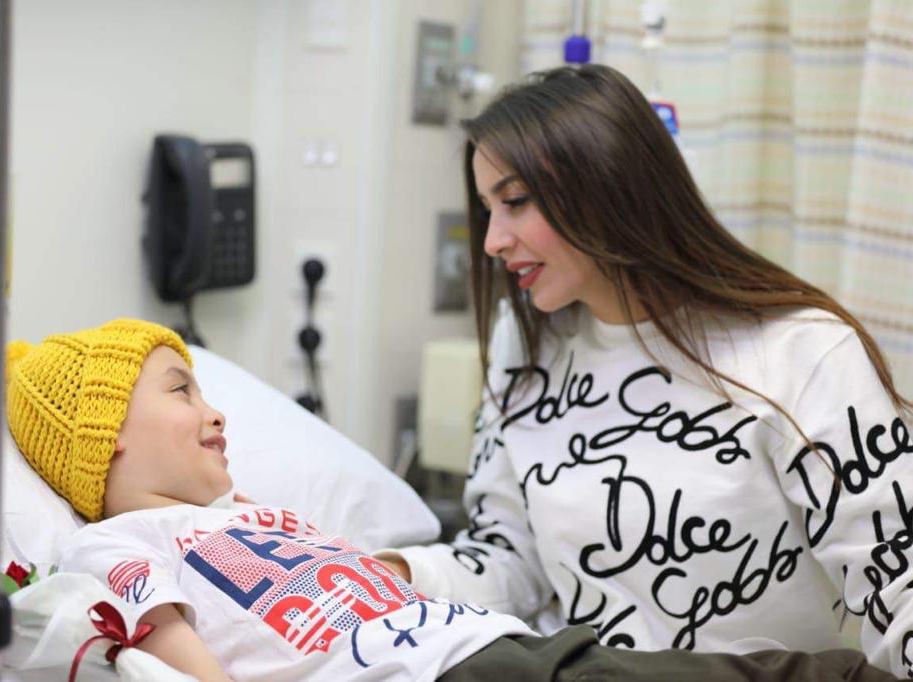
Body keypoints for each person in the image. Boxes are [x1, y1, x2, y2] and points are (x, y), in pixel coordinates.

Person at [373, 63, 913, 679]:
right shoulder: (524, 344)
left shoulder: (801, 352)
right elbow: (513, 561)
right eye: (487, 209)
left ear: (606, 184)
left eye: (515, 202)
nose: (493, 240)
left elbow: (897, 577)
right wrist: (396, 575)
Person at [6, 318, 898, 681]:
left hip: (486, 646)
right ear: (106, 433)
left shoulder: (248, 514)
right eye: (181, 391)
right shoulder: (116, 544)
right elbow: (172, 647)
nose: (214, 412)